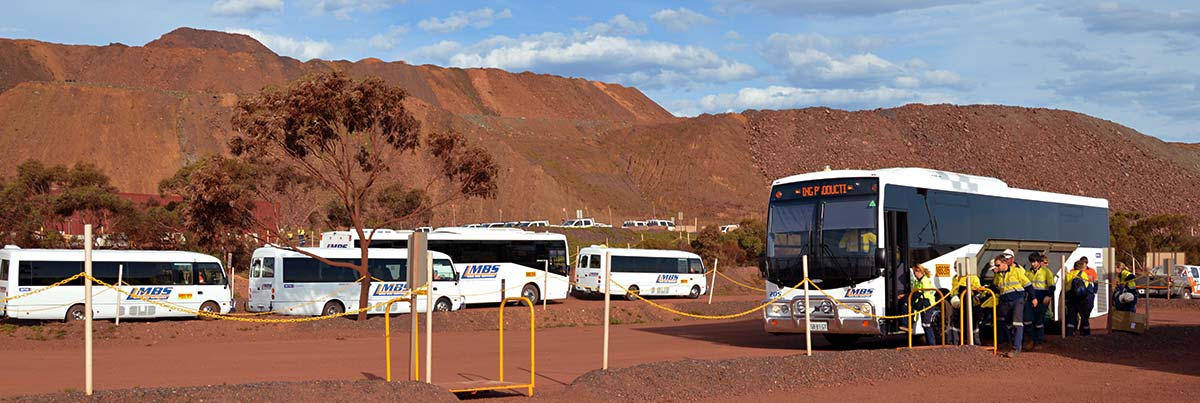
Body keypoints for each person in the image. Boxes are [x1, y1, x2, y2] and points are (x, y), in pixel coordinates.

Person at [992, 253, 1033, 358]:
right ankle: (1013, 345)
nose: (996, 267)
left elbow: (1028, 284)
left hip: (1017, 300)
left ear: (1004, 263)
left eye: (998, 265)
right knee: (1009, 324)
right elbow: (995, 286)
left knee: (1017, 323)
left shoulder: (1016, 271)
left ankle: (1016, 348)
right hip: (1005, 302)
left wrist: (1033, 297)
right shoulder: (998, 275)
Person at [1024, 253, 1054, 350]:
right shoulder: (1028, 273)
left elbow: (1052, 286)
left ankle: (1038, 342)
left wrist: (1049, 296)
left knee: (1039, 321)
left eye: (1034, 262)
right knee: (1027, 320)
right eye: (1031, 262)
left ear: (1039, 262)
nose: (1033, 264)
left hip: (1042, 299)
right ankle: (1030, 340)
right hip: (1030, 299)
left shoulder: (1046, 272)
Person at [948, 269, 983, 345]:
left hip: (970, 302)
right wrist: (953, 298)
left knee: (973, 322)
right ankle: (955, 342)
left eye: (957, 267)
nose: (956, 269)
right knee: (956, 322)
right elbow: (953, 290)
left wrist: (966, 289)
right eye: (955, 267)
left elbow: (978, 290)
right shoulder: (955, 278)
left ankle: (976, 343)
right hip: (958, 302)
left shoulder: (972, 276)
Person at [909, 264, 938, 345]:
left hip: (927, 304)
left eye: (915, 272)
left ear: (920, 272)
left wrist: (918, 294)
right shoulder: (917, 281)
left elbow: (926, 293)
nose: (915, 275)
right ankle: (930, 343)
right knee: (924, 324)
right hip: (922, 304)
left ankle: (932, 344)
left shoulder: (924, 280)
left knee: (926, 324)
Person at [1065, 259, 1095, 336]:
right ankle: (1085, 333)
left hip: (1071, 297)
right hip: (1081, 298)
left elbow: (1066, 287)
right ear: (1081, 267)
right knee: (1084, 316)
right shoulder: (1083, 274)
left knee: (1071, 316)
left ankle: (1069, 333)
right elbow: (1086, 286)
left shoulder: (1068, 274)